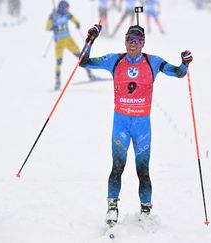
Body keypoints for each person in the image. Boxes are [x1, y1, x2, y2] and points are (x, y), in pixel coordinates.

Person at [79, 24, 193, 225]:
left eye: (137, 40)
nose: (133, 44)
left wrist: (185, 63)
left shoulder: (152, 62)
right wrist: (91, 39)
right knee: (117, 168)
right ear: (124, 41)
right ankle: (112, 208)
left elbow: (178, 73)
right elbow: (83, 62)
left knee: (143, 172)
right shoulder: (115, 60)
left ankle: (146, 211)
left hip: (142, 128)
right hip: (121, 125)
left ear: (143, 43)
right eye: (129, 40)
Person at [46, 0, 97, 90]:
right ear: (62, 7)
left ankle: (90, 74)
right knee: (59, 61)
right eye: (66, 8)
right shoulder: (53, 16)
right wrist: (53, 27)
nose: (67, 9)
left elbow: (74, 19)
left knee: (81, 57)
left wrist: (77, 23)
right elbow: (47, 27)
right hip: (59, 42)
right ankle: (57, 82)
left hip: (69, 40)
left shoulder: (66, 14)